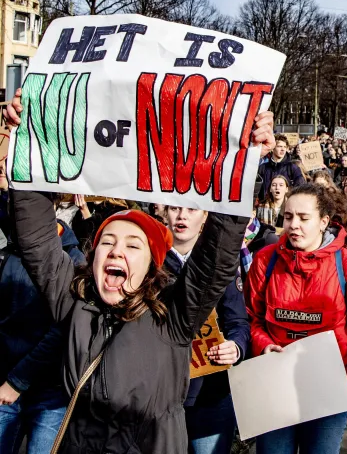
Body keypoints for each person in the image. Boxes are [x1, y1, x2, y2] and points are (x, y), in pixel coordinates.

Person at [2, 94, 273, 453]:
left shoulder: (172, 317)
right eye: (107, 242)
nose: (116, 250)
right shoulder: (73, 303)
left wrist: (245, 160)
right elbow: (37, 238)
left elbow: (216, 257)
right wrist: (29, 143)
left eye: (133, 246)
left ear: (150, 267)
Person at [245, 183, 347, 454]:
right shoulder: (264, 260)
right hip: (276, 384)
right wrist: (263, 344)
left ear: (324, 221)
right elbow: (250, 319)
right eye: (288, 217)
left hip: (330, 388)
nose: (293, 225)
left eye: (304, 218)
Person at [164, 206, 249, 454]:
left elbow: (238, 322)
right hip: (161, 394)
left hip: (210, 394)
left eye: (192, 209)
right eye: (174, 208)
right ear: (163, 213)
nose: (182, 216)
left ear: (205, 217)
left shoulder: (222, 264)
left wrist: (235, 347)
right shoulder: (148, 262)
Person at [0, 212, 85, 454]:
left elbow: (63, 331)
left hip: (50, 392)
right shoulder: (9, 252)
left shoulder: (74, 258)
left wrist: (17, 382)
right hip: (4, 382)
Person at [257, 135, 306, 202]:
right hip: (266, 207)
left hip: (286, 208)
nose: (283, 149)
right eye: (279, 146)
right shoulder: (263, 168)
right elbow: (255, 190)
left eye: (285, 147)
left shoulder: (293, 168)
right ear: (272, 149)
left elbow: (301, 189)